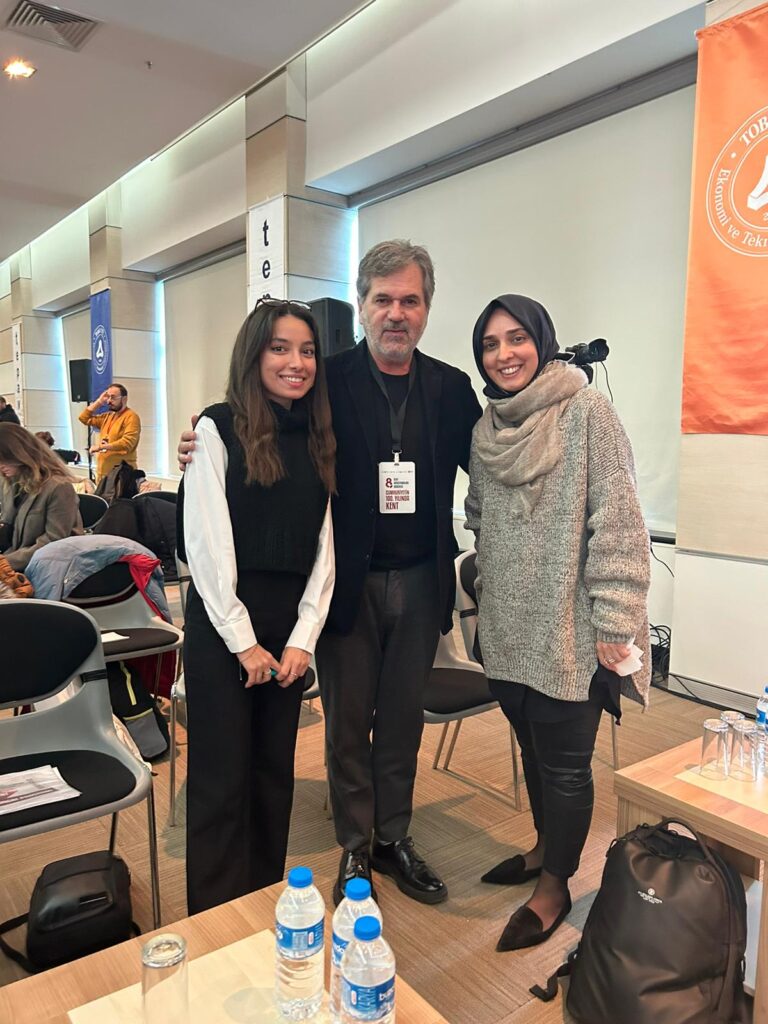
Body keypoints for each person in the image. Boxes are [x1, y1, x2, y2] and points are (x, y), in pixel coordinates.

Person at [179, 241, 482, 908]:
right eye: (383, 299)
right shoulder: (328, 381)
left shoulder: (451, 389)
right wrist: (202, 439)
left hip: (422, 577)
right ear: (362, 304)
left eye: (410, 300)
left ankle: (392, 836)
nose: (396, 313)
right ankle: (353, 842)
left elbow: (493, 467)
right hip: (345, 583)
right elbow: (262, 423)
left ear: (427, 309)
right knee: (346, 724)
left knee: (402, 720)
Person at [464, 294, 650, 952]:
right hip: (509, 630)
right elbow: (479, 517)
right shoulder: (487, 429)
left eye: (517, 338)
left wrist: (616, 622)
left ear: (542, 341)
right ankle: (545, 846)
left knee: (567, 766)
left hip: (571, 631)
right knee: (533, 752)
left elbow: (620, 522)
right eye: (490, 344)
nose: (504, 353)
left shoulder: (587, 410)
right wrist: (489, 588)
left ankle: (555, 886)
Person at [180, 298, 336, 915]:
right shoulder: (216, 428)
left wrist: (304, 637)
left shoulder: (321, 438)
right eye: (280, 348)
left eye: (307, 350)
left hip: (289, 627)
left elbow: (327, 546)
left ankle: (260, 906)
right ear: (254, 355)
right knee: (221, 780)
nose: (296, 362)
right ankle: (214, 924)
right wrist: (243, 641)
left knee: (274, 776)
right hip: (224, 624)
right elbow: (206, 542)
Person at [0, 423, 83, 571]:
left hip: (47, 569)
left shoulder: (58, 487)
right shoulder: (10, 483)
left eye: (3, 460)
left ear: (18, 454)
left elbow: (53, 543)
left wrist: (6, 563)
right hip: (15, 562)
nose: (1, 466)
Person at [78, 383, 141, 482]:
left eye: (113, 397)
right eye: (108, 397)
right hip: (103, 474)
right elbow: (83, 418)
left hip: (121, 477)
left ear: (124, 399)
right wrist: (99, 402)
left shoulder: (131, 417)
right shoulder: (108, 416)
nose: (109, 401)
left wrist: (101, 447)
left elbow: (127, 443)